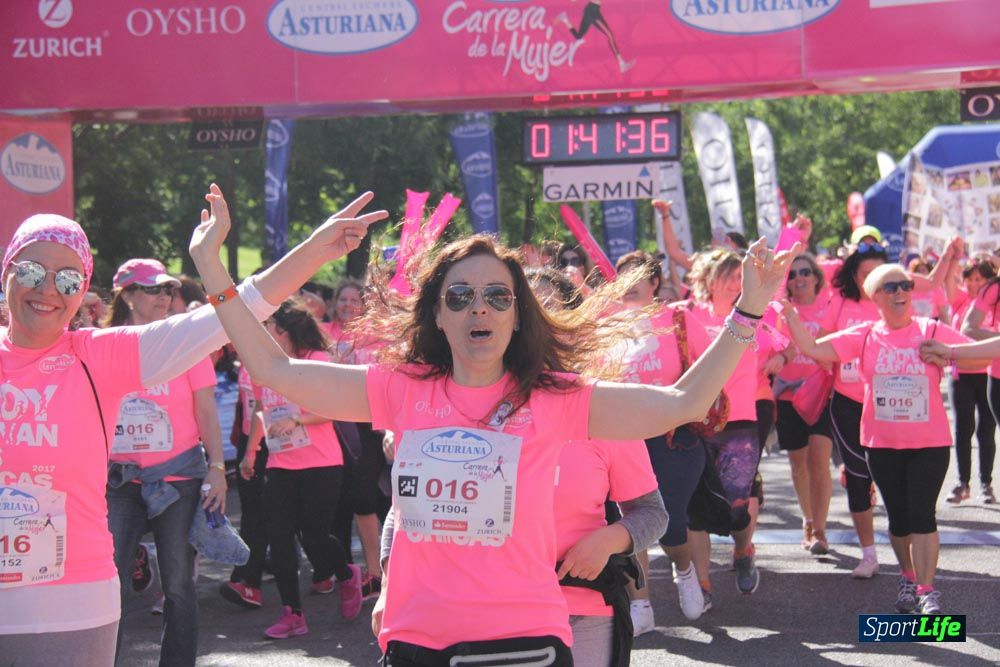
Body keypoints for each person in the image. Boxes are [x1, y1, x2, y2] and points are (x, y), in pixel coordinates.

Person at [187, 192, 798, 666]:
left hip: (524, 639)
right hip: (414, 638)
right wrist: (211, 266)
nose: (478, 306)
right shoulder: (399, 389)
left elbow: (683, 401)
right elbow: (271, 367)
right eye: (460, 296)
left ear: (516, 316)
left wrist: (748, 310)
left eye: (497, 297)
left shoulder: (558, 401)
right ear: (438, 314)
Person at [0, 185, 388, 665]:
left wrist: (314, 251)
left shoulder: (97, 356)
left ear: (82, 292)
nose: (46, 289)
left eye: (67, 279)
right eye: (32, 270)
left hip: (71, 601)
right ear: (7, 273)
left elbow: (231, 314)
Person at [785, 264, 975, 614]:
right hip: (882, 444)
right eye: (891, 288)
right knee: (899, 520)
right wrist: (789, 314)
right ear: (876, 297)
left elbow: (980, 351)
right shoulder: (865, 335)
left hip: (929, 444)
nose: (901, 292)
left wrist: (952, 353)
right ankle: (906, 575)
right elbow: (813, 347)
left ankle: (927, 590)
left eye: (905, 285)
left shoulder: (931, 330)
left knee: (923, 516)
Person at [103, 258, 224, 664]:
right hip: (119, 483)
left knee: (178, 586)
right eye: (153, 289)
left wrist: (218, 469)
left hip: (178, 479)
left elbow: (206, 411)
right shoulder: (103, 343)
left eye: (168, 290)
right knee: (108, 585)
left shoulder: (186, 343)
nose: (164, 297)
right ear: (129, 295)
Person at [240, 298, 363, 638]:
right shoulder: (263, 368)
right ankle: (292, 614)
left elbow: (335, 410)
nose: (265, 335)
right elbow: (261, 411)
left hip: (321, 465)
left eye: (269, 329)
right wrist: (251, 452)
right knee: (279, 538)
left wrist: (297, 419)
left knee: (314, 536)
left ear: (285, 331)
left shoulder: (318, 361)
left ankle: (346, 572)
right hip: (281, 464)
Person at [770, 253, 835, 554]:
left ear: (816, 277)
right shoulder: (781, 312)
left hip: (823, 393)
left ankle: (820, 529)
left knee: (819, 460)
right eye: (793, 274)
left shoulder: (831, 307)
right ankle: (808, 520)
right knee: (799, 464)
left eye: (805, 272)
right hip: (789, 395)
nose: (799, 278)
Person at [327, 279, 388, 598]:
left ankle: (379, 572)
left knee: (371, 498)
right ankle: (352, 572)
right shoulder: (326, 334)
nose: (348, 305)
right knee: (350, 499)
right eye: (343, 299)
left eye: (354, 300)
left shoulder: (378, 334)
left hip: (374, 425)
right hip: (336, 425)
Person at [955, 263, 1000, 504]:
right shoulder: (993, 290)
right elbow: (968, 328)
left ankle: (985, 483)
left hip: (986, 373)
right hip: (990, 376)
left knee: (986, 431)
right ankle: (969, 482)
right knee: (969, 429)